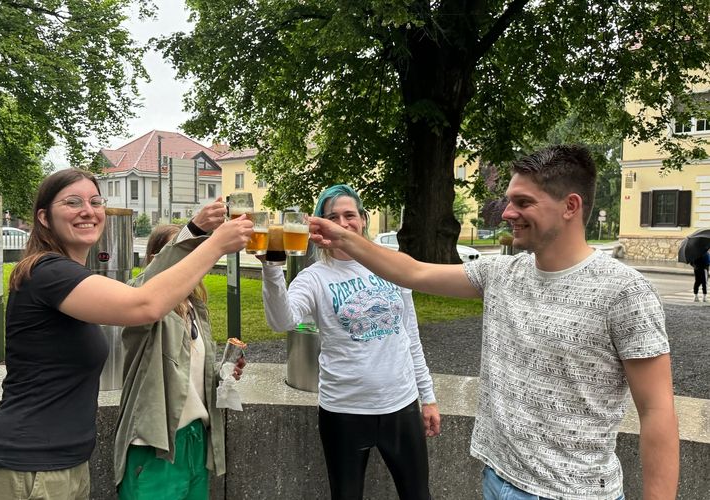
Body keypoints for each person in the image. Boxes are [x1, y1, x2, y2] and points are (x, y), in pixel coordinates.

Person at [308, 145, 679, 500]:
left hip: (575, 492)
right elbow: (414, 272)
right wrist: (345, 238)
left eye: (523, 202)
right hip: (498, 480)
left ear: (571, 206)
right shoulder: (500, 273)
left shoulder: (625, 291)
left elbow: (657, 411)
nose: (506, 213)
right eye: (509, 201)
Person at [0, 169, 253, 500]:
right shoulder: (47, 273)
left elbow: (138, 289)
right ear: (44, 217)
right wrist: (215, 245)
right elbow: (144, 304)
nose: (88, 210)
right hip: (22, 471)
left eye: (95, 201)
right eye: (72, 202)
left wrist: (194, 231)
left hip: (64, 465)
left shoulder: (69, 276)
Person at [259, 184, 440, 500]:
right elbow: (281, 321)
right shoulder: (314, 277)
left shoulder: (390, 264)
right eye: (333, 217)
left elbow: (410, 334)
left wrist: (428, 396)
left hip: (401, 404)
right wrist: (272, 268)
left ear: (363, 219)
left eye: (349, 215)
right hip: (344, 409)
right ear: (320, 225)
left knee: (418, 495)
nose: (343, 223)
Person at [114, 199, 246, 499]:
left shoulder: (196, 308)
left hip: (195, 441)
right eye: (188, 258)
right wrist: (195, 230)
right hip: (155, 447)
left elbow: (186, 375)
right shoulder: (143, 310)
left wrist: (223, 372)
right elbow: (146, 286)